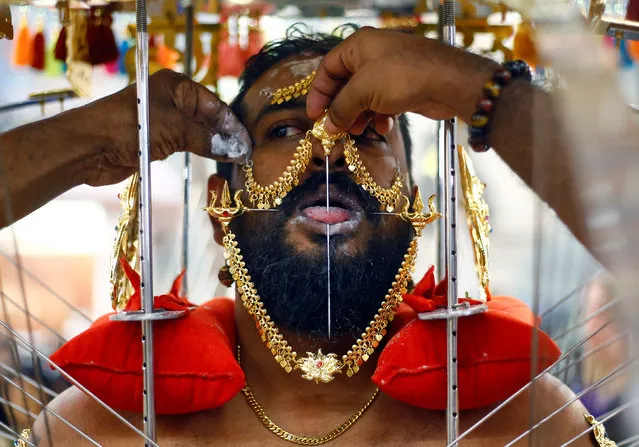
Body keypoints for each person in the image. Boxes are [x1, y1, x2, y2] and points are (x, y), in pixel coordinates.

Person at [1, 27, 599, 445]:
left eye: (367, 135)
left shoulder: (531, 426)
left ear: (415, 206)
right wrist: (92, 138)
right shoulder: (96, 432)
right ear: (219, 205)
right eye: (285, 128)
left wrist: (479, 89)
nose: (329, 150)